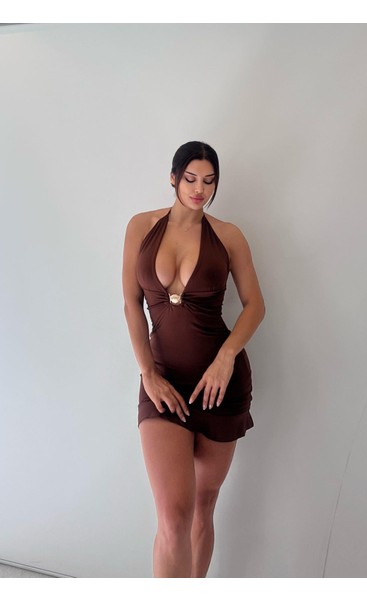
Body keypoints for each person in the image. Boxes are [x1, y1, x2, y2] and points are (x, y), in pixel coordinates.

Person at [122, 141, 265, 577]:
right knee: (173, 517)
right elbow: (131, 305)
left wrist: (226, 357)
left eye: (209, 181)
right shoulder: (141, 226)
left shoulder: (228, 236)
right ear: (173, 178)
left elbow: (255, 305)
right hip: (163, 381)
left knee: (203, 506)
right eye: (190, 179)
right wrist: (147, 373)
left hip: (220, 388)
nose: (199, 189)